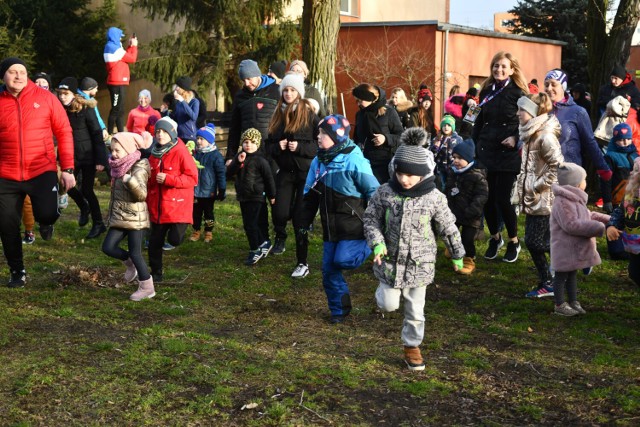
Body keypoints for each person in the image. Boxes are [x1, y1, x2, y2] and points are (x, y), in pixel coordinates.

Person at [364, 141, 464, 370]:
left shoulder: (434, 198)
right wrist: (377, 243)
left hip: (420, 264)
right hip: (389, 262)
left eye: (410, 175)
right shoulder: (385, 192)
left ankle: (412, 347)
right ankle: (383, 292)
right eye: (400, 173)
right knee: (388, 304)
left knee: (415, 311)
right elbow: (371, 219)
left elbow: (448, 227)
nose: (404, 180)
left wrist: (458, 253)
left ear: (422, 174)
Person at [0, 57, 75, 288]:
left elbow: (63, 131)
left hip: (41, 170)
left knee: (47, 214)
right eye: (12, 72)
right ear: (3, 76)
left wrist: (68, 168)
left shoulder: (46, 99)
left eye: (22, 72)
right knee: (7, 225)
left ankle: (47, 221)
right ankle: (17, 271)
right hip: (6, 174)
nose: (18, 76)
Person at [300, 114, 380, 323]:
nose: (318, 137)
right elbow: (309, 195)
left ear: (336, 137)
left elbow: (374, 192)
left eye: (323, 133)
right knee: (328, 271)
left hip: (355, 226)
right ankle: (339, 311)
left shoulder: (355, 159)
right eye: (318, 132)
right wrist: (303, 222)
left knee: (343, 260)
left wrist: (377, 225)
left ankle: (368, 244)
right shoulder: (318, 161)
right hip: (330, 228)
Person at [473, 51, 528, 263]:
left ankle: (514, 241)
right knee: (487, 199)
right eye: (496, 66)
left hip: (507, 153)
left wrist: (516, 138)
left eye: (504, 66)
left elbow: (529, 122)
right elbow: (478, 120)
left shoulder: (519, 93)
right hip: (486, 151)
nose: (499, 70)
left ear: (512, 69)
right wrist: (473, 144)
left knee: (503, 200)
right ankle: (495, 238)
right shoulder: (486, 91)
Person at [266, 73, 319, 277]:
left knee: (300, 220)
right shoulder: (277, 114)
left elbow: (319, 144)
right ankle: (280, 236)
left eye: (292, 90)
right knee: (279, 213)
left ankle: (302, 262)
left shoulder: (309, 114)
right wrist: (277, 147)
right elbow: (267, 145)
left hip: (305, 173)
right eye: (285, 90)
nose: (288, 93)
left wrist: (300, 147)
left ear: (299, 93)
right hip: (285, 172)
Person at [514, 94, 564, 298]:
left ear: (533, 113)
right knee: (539, 240)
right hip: (533, 198)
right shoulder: (530, 134)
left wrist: (536, 186)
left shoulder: (544, 136)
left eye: (521, 110)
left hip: (545, 199)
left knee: (534, 242)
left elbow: (557, 167)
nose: (517, 113)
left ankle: (568, 261)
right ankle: (551, 279)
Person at [550, 163, 610, 316]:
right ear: (576, 183)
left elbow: (588, 215)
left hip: (574, 248)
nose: (586, 182)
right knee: (561, 276)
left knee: (572, 275)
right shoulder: (563, 202)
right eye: (584, 179)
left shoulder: (575, 199)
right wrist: (598, 228)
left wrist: (610, 220)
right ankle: (559, 304)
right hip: (565, 248)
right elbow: (571, 225)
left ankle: (573, 301)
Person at [101, 132, 155, 301]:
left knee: (135, 252)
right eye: (112, 150)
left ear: (128, 149)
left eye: (117, 150)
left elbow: (141, 195)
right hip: (120, 216)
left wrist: (130, 181)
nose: (114, 154)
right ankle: (131, 266)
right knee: (108, 247)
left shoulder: (139, 166)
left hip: (135, 217)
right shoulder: (118, 166)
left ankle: (147, 287)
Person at [146, 117, 198, 283]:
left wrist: (170, 179)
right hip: (158, 207)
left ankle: (178, 234)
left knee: (174, 239)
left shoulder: (180, 151)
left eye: (164, 131)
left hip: (177, 207)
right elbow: (150, 181)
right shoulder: (153, 154)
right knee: (154, 243)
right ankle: (156, 273)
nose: (160, 135)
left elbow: (192, 178)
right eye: (158, 131)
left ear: (172, 133)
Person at [56, 77, 109, 239]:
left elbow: (96, 134)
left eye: (66, 93)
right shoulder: (60, 110)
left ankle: (98, 223)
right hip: (70, 156)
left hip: (88, 156)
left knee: (87, 189)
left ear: (73, 93)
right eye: (60, 94)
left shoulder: (86, 109)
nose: (63, 97)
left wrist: (101, 160)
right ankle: (83, 207)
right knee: (66, 185)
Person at [543, 69, 612, 182]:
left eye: (553, 84)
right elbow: (528, 133)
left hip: (569, 173)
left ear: (563, 86)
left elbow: (590, 142)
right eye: (546, 85)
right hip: (543, 174)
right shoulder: (540, 110)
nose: (549, 88)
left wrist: (603, 168)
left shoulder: (577, 112)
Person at [226, 128, 276, 265]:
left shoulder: (261, 161)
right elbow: (228, 173)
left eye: (252, 142)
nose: (248, 145)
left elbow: (269, 179)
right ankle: (264, 243)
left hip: (257, 196)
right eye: (246, 142)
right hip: (243, 197)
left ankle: (255, 249)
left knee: (251, 225)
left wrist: (272, 195)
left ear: (258, 144)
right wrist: (237, 162)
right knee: (251, 223)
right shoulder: (240, 157)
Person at [445, 138, 488, 275]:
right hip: (455, 213)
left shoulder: (477, 176)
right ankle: (454, 251)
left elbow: (481, 196)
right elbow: (448, 191)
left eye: (460, 158)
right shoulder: (453, 173)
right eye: (454, 157)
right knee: (451, 234)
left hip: (471, 215)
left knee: (467, 239)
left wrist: (472, 210)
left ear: (469, 159)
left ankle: (469, 259)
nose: (455, 161)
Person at [225, 59, 280, 164]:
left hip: (272, 152)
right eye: (243, 80)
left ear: (257, 75)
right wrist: (230, 156)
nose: (247, 83)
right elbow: (235, 129)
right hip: (250, 153)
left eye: (249, 79)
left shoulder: (276, 91)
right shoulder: (240, 97)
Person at [352, 83, 403, 184]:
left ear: (371, 98)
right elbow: (357, 138)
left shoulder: (389, 112)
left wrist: (385, 138)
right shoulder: (360, 115)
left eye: (360, 100)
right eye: (356, 100)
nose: (358, 104)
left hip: (384, 163)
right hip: (364, 162)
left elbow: (401, 136)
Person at [606, 157, 640, 286]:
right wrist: (611, 225)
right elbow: (620, 212)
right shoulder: (630, 194)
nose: (631, 173)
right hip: (634, 245)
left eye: (636, 170)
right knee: (634, 273)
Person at [190, 123, 226, 243]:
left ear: (209, 141)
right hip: (195, 190)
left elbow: (221, 174)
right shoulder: (195, 154)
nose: (199, 141)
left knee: (208, 213)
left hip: (208, 191)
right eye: (198, 138)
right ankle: (196, 230)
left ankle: (208, 231)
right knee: (196, 213)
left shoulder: (216, 156)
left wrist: (222, 189)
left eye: (202, 139)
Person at [103, 27, 138, 134]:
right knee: (116, 109)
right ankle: (109, 134)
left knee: (120, 110)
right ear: (114, 36)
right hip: (116, 83)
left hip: (119, 82)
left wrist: (130, 46)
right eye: (119, 37)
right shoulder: (112, 47)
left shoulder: (115, 47)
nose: (120, 39)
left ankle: (121, 132)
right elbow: (132, 59)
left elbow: (125, 56)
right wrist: (135, 46)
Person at [430, 114, 463, 191]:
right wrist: (435, 147)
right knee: (442, 186)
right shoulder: (437, 138)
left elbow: (461, 152)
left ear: (452, 127)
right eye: (444, 125)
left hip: (453, 167)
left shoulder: (457, 139)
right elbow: (431, 154)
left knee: (452, 186)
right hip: (440, 168)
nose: (446, 127)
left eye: (449, 125)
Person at [168, 76, 200, 143]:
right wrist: (167, 112)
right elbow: (176, 119)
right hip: (179, 136)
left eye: (178, 86)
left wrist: (182, 101)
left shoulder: (194, 101)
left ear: (183, 89)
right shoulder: (178, 102)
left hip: (190, 136)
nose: (176, 88)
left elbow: (194, 117)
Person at [78, 77, 109, 141]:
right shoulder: (88, 102)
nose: (97, 90)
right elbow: (96, 117)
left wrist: (103, 128)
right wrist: (102, 129)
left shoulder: (90, 99)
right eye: (96, 88)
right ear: (90, 88)